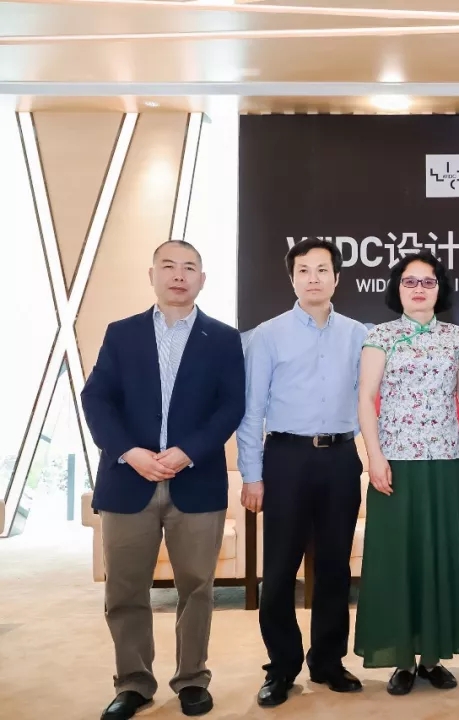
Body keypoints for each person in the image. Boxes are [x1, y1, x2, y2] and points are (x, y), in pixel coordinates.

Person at [81, 240, 246, 720]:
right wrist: (129, 452)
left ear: (202, 279)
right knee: (125, 589)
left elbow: (231, 405)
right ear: (151, 275)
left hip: (196, 480)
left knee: (197, 588)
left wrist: (188, 451)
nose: (178, 275)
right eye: (168, 266)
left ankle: (192, 678)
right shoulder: (122, 333)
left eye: (189, 267)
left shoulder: (224, 338)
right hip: (127, 479)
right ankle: (133, 683)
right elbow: (97, 399)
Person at [236, 238, 369, 707]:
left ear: (337, 277)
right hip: (286, 459)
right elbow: (252, 410)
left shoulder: (358, 333)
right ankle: (282, 667)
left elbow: (369, 399)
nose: (313, 278)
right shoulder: (267, 334)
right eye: (304, 270)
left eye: (322, 269)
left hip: (340, 458)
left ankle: (328, 662)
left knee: (335, 567)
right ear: (291, 279)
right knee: (279, 570)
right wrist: (251, 475)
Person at [353, 251, 459, 694]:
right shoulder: (380, 336)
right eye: (409, 281)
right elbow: (366, 398)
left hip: (447, 464)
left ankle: (432, 656)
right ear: (397, 288)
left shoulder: (458, 339)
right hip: (396, 466)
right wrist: (374, 456)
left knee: (440, 557)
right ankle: (402, 660)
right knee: (398, 560)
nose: (418, 289)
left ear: (439, 289)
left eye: (428, 282)